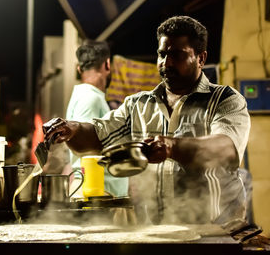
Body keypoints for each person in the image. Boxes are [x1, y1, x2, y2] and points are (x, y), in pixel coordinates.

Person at [43, 16, 250, 224]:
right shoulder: (138, 105)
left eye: (177, 55)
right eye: (162, 54)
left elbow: (225, 149)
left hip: (216, 234)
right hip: (156, 235)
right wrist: (72, 128)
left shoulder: (225, 100)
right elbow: (96, 137)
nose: (166, 63)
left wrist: (171, 146)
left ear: (201, 58)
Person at [65, 40, 128, 197]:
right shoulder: (90, 98)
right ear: (107, 64)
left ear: (79, 69)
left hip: (102, 191)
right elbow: (87, 148)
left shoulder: (87, 96)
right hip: (99, 192)